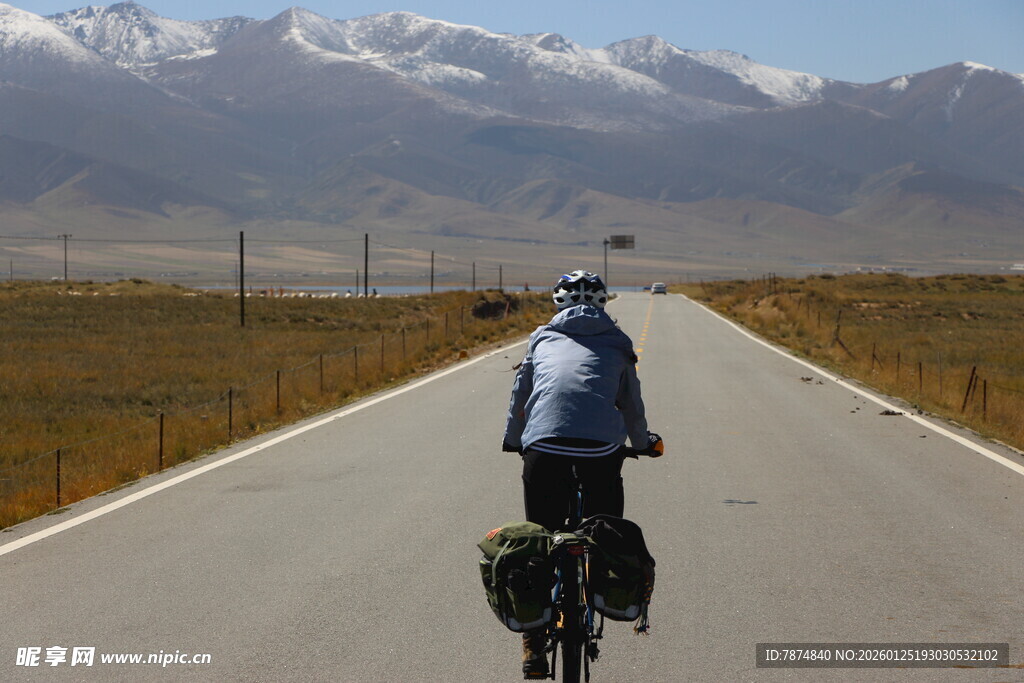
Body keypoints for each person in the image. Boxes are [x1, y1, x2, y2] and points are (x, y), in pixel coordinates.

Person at [502, 269, 660, 678]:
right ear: (603, 303)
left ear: (557, 304)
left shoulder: (542, 338)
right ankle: (600, 584)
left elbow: (521, 394)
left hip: (544, 448)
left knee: (541, 538)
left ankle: (532, 641)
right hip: (600, 451)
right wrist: (642, 442)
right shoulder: (618, 342)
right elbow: (631, 403)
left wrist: (513, 439)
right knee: (604, 529)